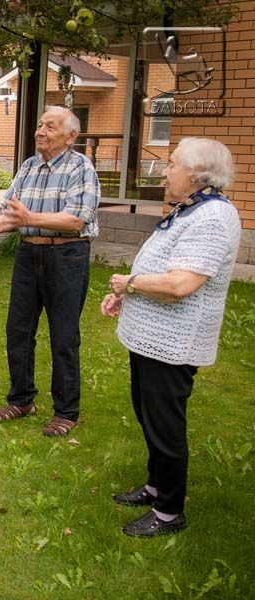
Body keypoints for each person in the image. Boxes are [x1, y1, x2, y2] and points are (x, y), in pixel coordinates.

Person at [101, 138, 240, 537]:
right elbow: (161, 269)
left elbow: (180, 283)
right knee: (148, 416)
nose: (164, 171)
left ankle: (168, 513)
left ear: (197, 175)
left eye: (172, 164)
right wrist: (123, 297)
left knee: (165, 425)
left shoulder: (213, 218)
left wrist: (130, 283)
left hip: (173, 344)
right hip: (151, 339)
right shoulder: (188, 212)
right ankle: (155, 485)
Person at [0, 106, 100, 437]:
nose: (40, 131)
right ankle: (21, 400)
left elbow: (77, 218)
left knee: (63, 335)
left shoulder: (81, 167)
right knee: (18, 330)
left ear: (71, 136)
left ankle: (66, 412)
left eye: (50, 126)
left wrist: (31, 218)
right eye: (39, 124)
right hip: (29, 254)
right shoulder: (29, 167)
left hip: (67, 255)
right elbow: (11, 215)